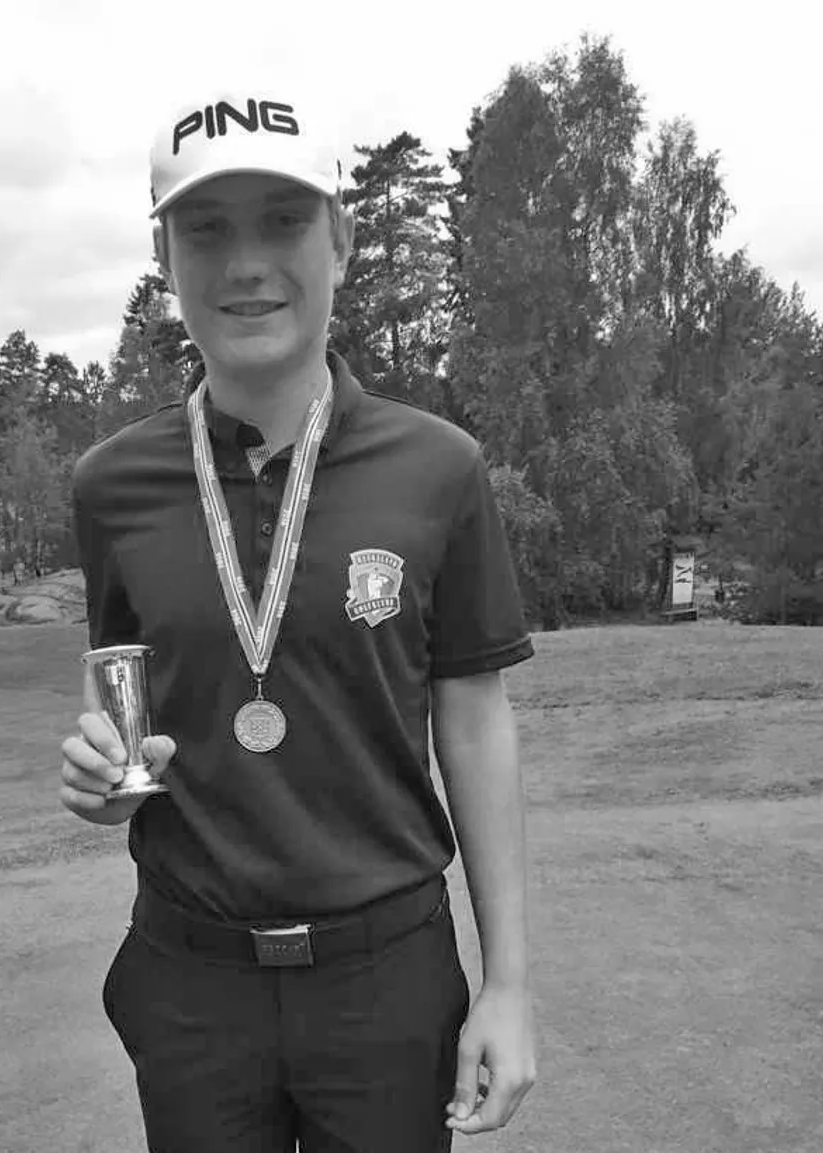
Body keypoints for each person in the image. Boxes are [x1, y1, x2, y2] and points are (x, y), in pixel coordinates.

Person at [60, 89, 537, 1153]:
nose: (245, 265)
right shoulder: (111, 484)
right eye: (206, 229)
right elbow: (124, 712)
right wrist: (100, 783)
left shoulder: (439, 468)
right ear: (163, 250)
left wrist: (506, 983)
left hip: (387, 978)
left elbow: (473, 719)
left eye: (282, 220)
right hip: (191, 984)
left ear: (342, 236)